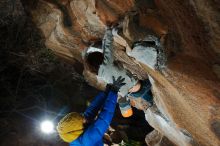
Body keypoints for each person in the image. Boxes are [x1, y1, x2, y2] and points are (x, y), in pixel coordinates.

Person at [85, 27, 154, 117]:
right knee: (154, 81)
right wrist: (109, 31)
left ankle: (151, 101)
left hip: (132, 93)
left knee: (146, 96)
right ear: (98, 58)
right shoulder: (106, 64)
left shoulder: (101, 74)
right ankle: (153, 100)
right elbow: (107, 48)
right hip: (139, 86)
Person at [57, 76, 125, 146]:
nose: (84, 118)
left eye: (81, 117)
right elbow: (104, 119)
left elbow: (91, 110)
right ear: (76, 130)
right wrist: (113, 92)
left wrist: (105, 93)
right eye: (82, 119)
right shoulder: (86, 141)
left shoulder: (76, 129)